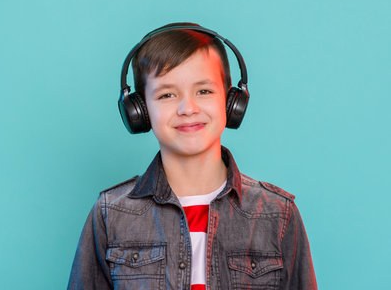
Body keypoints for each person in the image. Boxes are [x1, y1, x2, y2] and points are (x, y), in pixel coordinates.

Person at [68, 23, 317, 290]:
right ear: (139, 112)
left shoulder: (277, 214)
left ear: (232, 101)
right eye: (167, 94)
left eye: (204, 91)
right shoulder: (111, 214)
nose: (188, 108)